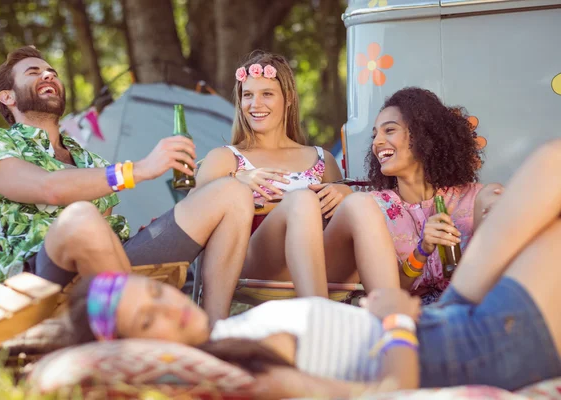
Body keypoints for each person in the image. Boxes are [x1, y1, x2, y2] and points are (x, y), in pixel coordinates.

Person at [66, 138, 561, 398]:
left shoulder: (232, 341)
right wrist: (394, 320)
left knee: (549, 164)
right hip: (467, 348)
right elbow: (391, 395)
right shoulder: (249, 379)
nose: (169, 309)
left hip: (446, 315)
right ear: (137, 352)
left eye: (155, 296)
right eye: (147, 323)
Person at [0, 45, 254, 324]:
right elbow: (49, 188)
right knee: (81, 217)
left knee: (232, 193)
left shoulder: (87, 157)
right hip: (44, 270)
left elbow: (106, 224)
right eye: (34, 72)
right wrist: (138, 170)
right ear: (8, 97)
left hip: (114, 259)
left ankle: (216, 330)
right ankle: (138, 337)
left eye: (52, 72)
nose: (48, 76)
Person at [195, 51, 400, 297]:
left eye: (267, 94)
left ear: (289, 98)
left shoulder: (322, 158)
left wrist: (345, 194)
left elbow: (339, 220)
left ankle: (391, 317)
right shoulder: (225, 157)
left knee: (361, 203)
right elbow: (192, 220)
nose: (255, 104)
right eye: (247, 95)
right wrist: (233, 183)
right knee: (302, 200)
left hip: (319, 262)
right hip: (253, 264)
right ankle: (317, 315)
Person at [329, 87, 503, 304]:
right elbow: (391, 290)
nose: (376, 142)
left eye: (389, 130)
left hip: (468, 312)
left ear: (423, 134)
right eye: (375, 135)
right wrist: (421, 251)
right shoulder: (374, 208)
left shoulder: (475, 198)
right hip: (404, 320)